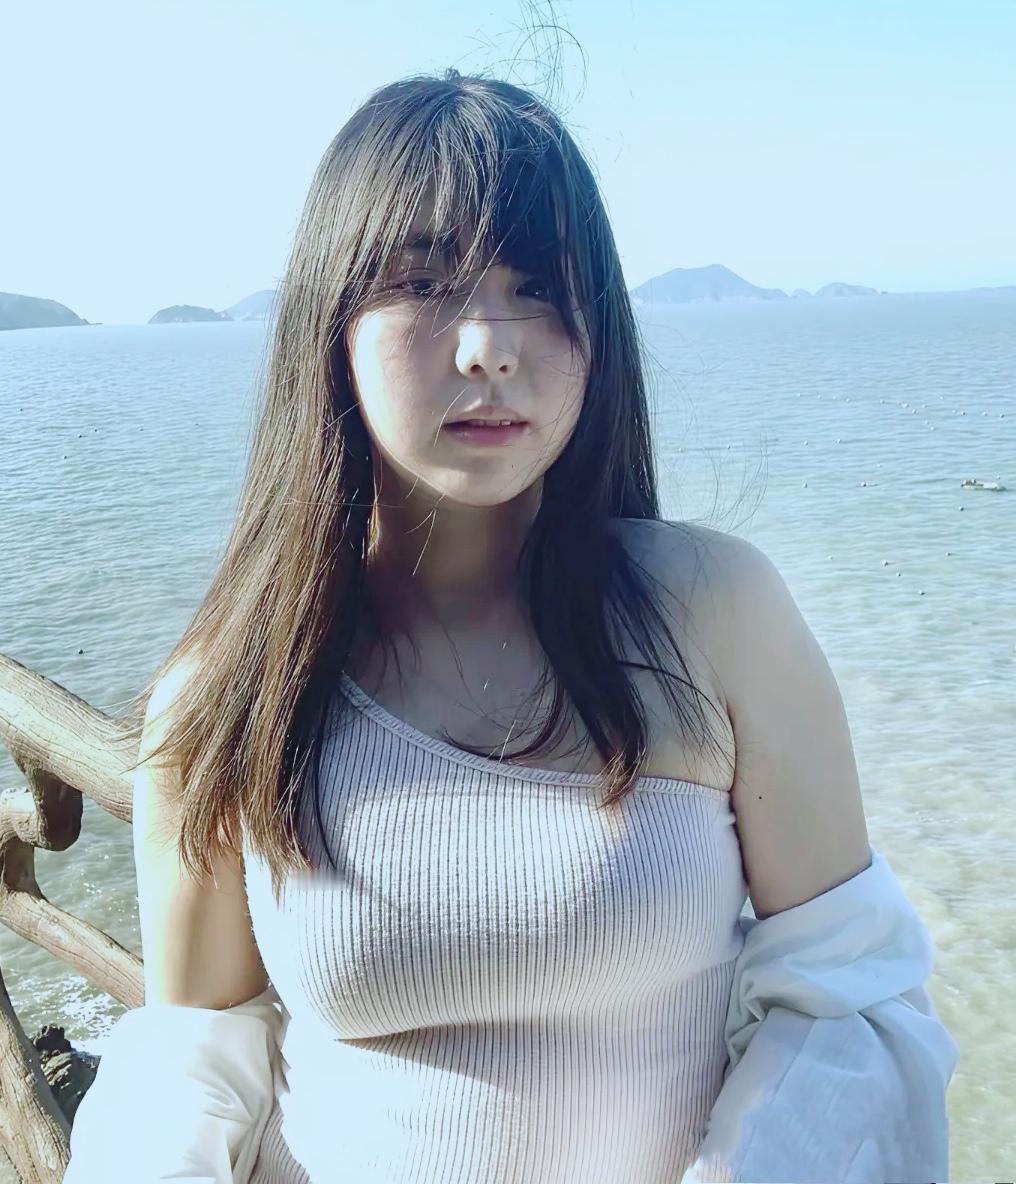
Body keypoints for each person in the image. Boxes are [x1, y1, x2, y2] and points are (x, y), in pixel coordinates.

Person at [64, 68, 957, 1183]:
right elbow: (195, 1053)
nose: (488, 342)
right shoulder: (234, 686)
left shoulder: (715, 613)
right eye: (422, 280)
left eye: (538, 285)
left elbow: (849, 997)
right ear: (331, 322)